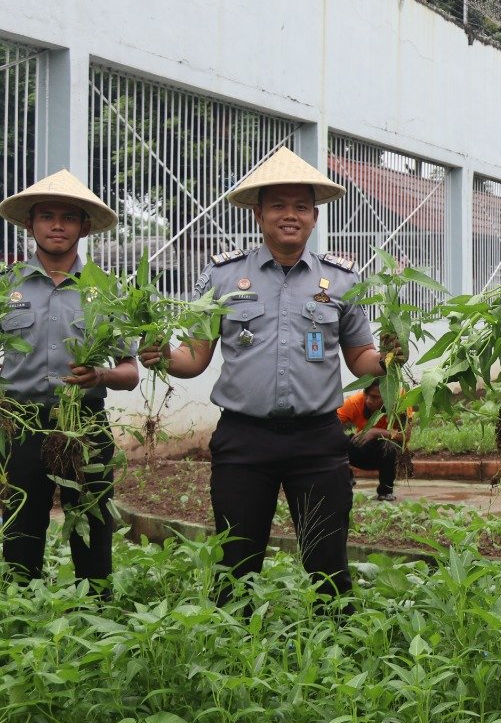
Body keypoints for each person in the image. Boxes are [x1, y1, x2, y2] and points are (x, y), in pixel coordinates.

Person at [139, 149, 387, 604]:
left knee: (327, 562)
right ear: (259, 214)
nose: (289, 216)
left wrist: (388, 358)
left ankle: (335, 653)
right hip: (243, 439)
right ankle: (231, 654)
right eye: (278, 205)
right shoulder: (223, 275)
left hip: (317, 440)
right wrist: (159, 356)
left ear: (314, 217)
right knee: (235, 561)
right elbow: (193, 357)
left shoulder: (343, 280)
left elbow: (359, 359)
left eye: (300, 207)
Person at [0, 171, 137, 588]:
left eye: (68, 217)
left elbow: (130, 373)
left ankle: (96, 604)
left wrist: (100, 373)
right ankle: (23, 611)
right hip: (21, 424)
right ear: (30, 224)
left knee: (93, 523)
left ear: (84, 226)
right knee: (21, 526)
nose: (57, 225)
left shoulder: (107, 291)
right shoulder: (7, 287)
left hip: (86, 426)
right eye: (46, 216)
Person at [338, 384, 409, 501]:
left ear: (387, 396)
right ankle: (346, 479)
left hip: (388, 453)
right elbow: (331, 425)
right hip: (361, 447)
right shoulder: (354, 402)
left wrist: (375, 432)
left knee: (389, 447)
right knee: (335, 442)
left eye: (375, 397)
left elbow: (405, 436)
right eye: (367, 396)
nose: (368, 401)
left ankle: (385, 491)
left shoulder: (401, 400)